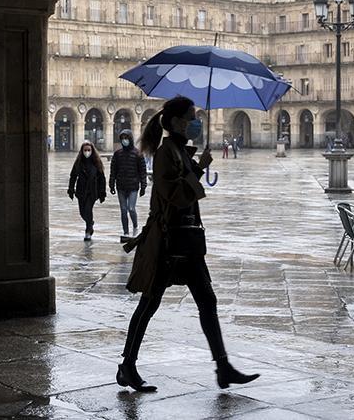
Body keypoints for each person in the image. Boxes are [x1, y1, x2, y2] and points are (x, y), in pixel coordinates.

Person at [117, 96, 259, 392]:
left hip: (188, 241)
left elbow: (185, 190)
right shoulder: (166, 152)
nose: (196, 121)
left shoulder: (179, 150)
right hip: (170, 242)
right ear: (176, 122)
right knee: (149, 303)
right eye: (191, 117)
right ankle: (127, 365)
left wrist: (196, 166)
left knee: (207, 301)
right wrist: (198, 168)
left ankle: (223, 367)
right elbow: (175, 193)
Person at [109, 129, 147, 241]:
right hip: (121, 186)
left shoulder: (138, 153)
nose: (124, 140)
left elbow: (142, 171)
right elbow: (113, 170)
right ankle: (125, 232)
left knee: (131, 208)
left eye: (126, 138)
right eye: (122, 138)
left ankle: (135, 226)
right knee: (123, 210)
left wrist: (143, 186)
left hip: (133, 186)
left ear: (130, 139)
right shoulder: (117, 154)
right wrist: (111, 184)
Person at [68, 141, 106, 240]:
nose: (87, 152)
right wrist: (71, 189)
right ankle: (90, 222)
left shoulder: (97, 163)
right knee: (82, 212)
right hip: (81, 190)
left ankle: (88, 231)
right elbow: (73, 176)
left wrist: (102, 192)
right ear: (82, 151)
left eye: (89, 150)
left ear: (92, 151)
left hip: (92, 191)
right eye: (85, 150)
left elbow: (102, 178)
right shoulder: (78, 163)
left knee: (88, 209)